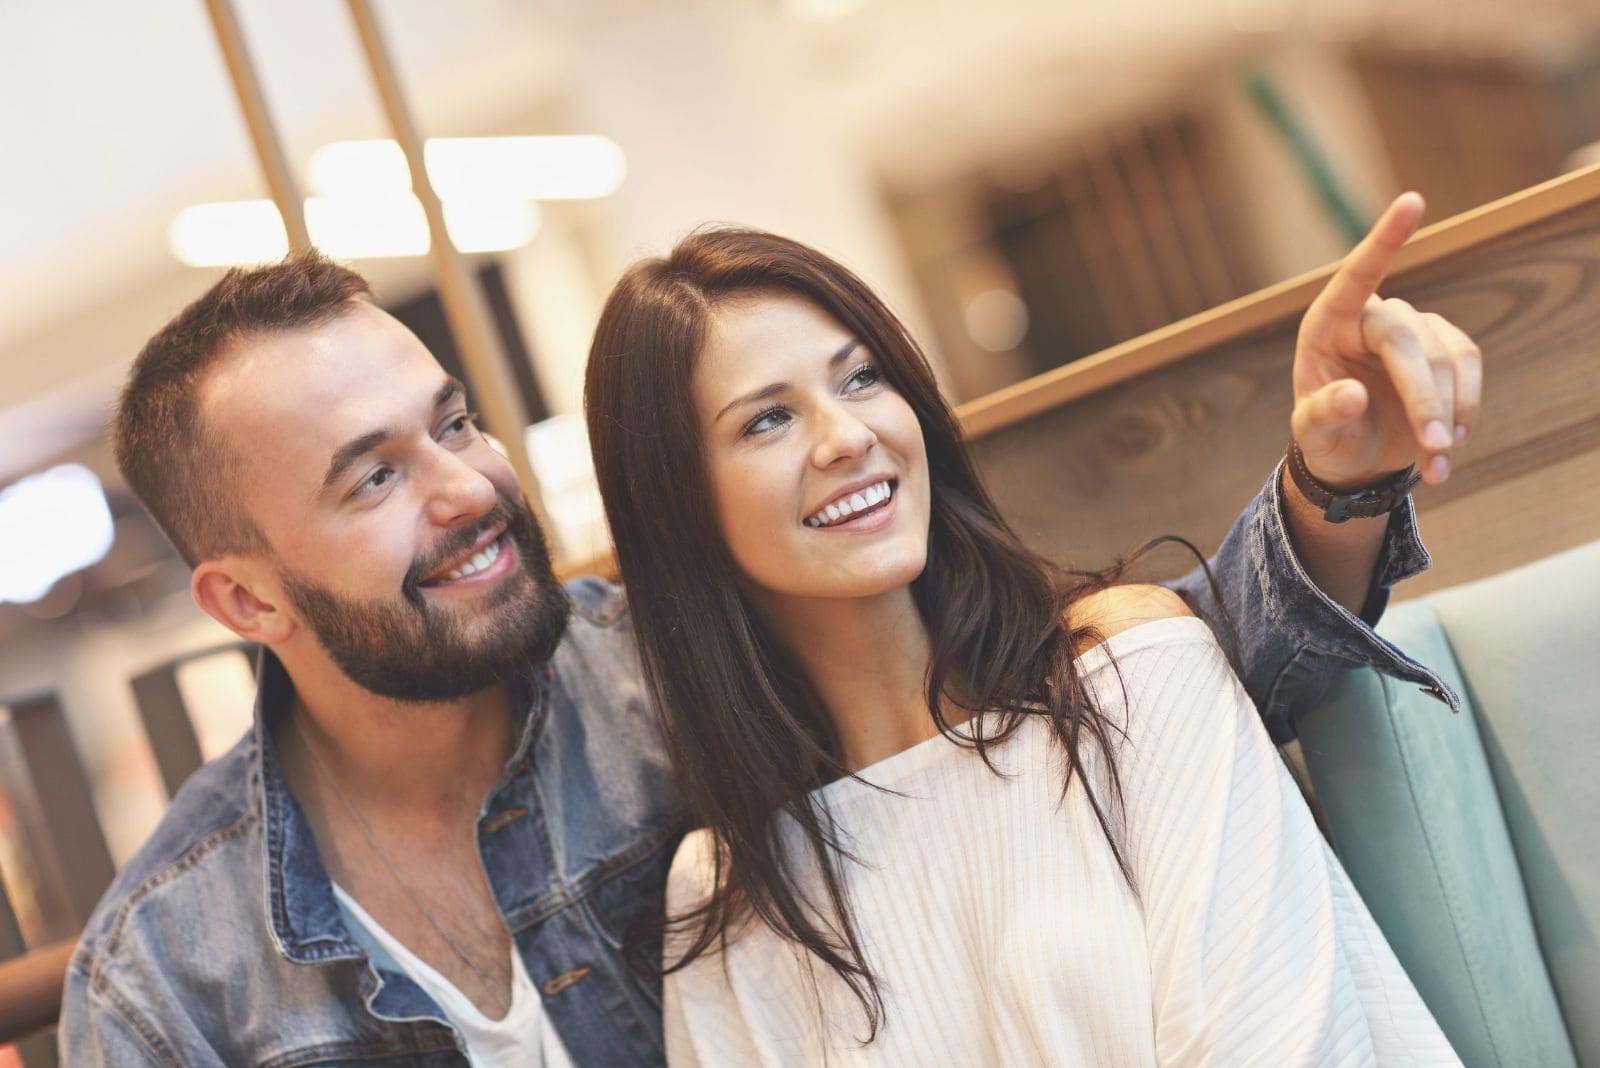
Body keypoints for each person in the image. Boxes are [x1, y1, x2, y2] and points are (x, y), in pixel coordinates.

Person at [59, 193, 1471, 1065]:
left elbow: (1125, 693)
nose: (465, 488)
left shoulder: (678, 670)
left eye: (457, 424)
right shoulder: (169, 980)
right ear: (245, 601)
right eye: (372, 476)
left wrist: (1338, 480)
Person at [582, 201, 1468, 1064]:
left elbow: (1283, 1038)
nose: (847, 435)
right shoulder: (727, 894)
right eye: (767, 419)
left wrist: (1343, 479)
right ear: (678, 509)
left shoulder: (1130, 678)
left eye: (861, 377)